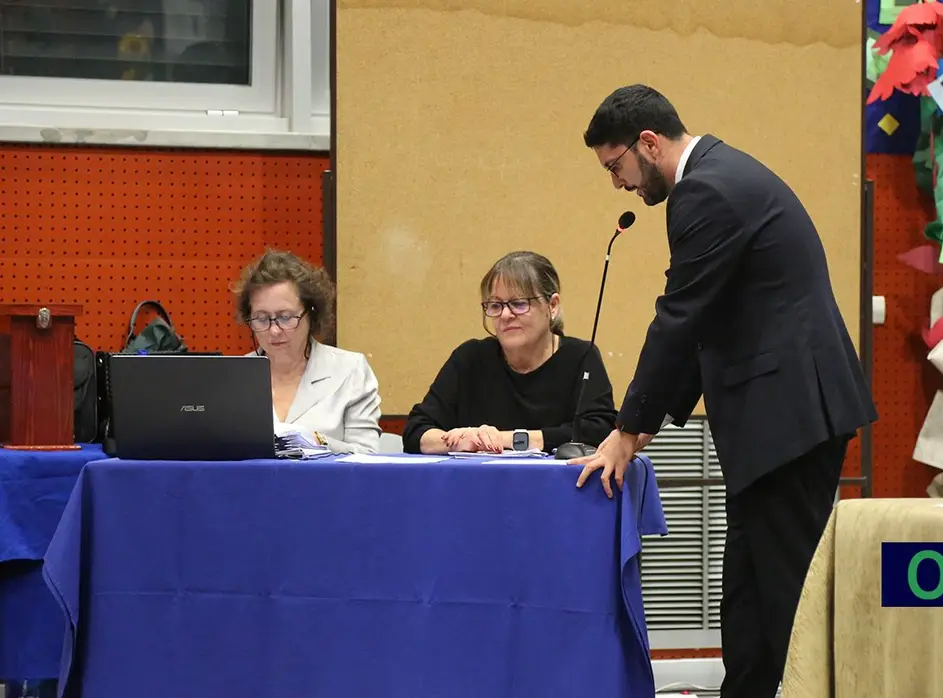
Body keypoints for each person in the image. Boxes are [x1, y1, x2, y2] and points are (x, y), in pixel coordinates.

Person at [574, 85, 878, 698]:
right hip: (781, 419)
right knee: (746, 595)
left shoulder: (705, 192)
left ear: (648, 143)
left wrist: (626, 433)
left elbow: (680, 318)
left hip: (791, 419)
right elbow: (707, 322)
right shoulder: (721, 176)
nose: (618, 184)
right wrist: (647, 423)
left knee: (785, 594)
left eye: (616, 167)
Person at [403, 251, 617, 455]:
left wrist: (504, 440)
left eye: (519, 303)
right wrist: (462, 442)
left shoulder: (581, 357)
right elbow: (416, 431)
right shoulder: (470, 358)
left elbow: (599, 432)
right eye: (495, 305)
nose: (505, 315)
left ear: (552, 306)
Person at [234, 249, 382, 454]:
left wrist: (315, 441)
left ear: (311, 314)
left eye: (285, 317)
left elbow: (367, 456)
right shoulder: (233, 377)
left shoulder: (350, 370)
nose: (274, 330)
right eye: (261, 318)